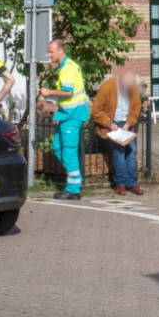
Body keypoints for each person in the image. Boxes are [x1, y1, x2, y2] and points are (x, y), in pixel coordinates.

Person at [39, 40, 89, 200]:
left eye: (51, 52)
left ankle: (73, 189)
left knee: (68, 151)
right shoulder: (68, 66)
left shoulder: (67, 68)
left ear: (61, 52)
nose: (49, 55)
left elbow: (68, 93)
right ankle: (77, 180)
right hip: (69, 114)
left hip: (72, 115)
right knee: (58, 147)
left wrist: (48, 92)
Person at [91, 69, 143, 195]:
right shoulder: (107, 86)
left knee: (131, 153)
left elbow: (136, 106)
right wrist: (109, 123)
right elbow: (96, 110)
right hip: (113, 123)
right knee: (119, 152)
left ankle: (132, 183)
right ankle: (120, 183)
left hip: (126, 124)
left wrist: (129, 122)